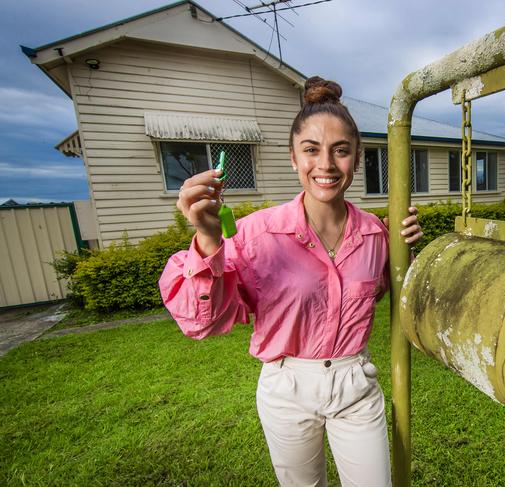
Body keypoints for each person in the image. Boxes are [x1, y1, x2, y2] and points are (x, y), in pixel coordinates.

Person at [159, 76, 423, 487]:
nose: (326, 165)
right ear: (292, 157)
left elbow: (386, 291)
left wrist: (406, 248)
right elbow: (201, 323)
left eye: (341, 151)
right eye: (311, 150)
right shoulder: (253, 235)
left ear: (357, 157)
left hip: (355, 384)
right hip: (286, 388)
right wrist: (208, 238)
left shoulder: (376, 234)